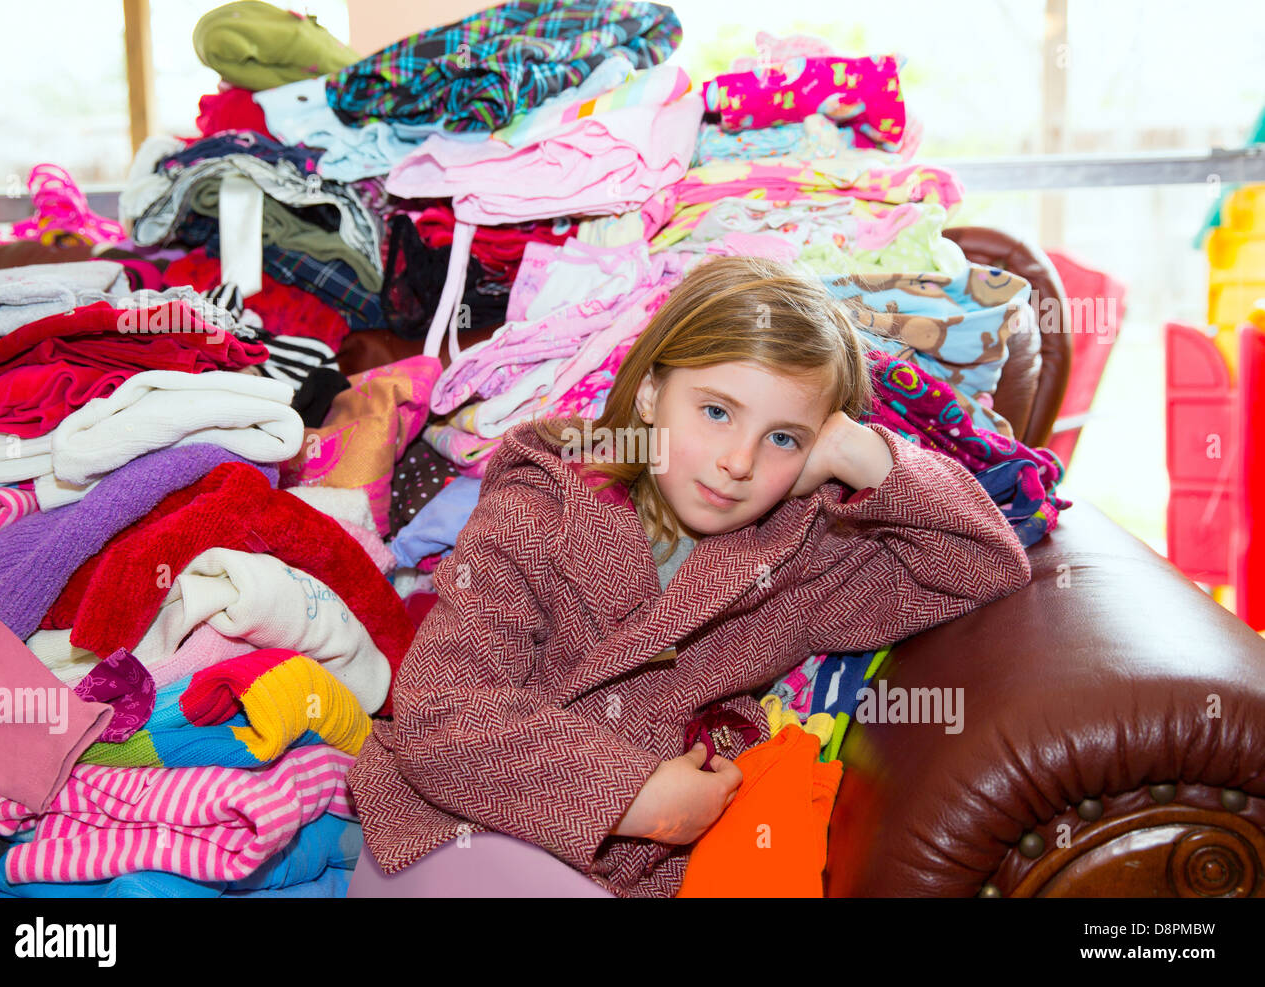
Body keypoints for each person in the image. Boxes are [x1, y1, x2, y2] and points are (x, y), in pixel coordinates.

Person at [347, 255, 1032, 898]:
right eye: (716, 411)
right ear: (649, 395)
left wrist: (870, 455)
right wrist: (633, 792)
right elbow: (441, 707)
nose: (739, 460)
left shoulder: (800, 561)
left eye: (784, 437)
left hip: (621, 874)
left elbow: (984, 564)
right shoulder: (541, 506)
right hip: (446, 833)